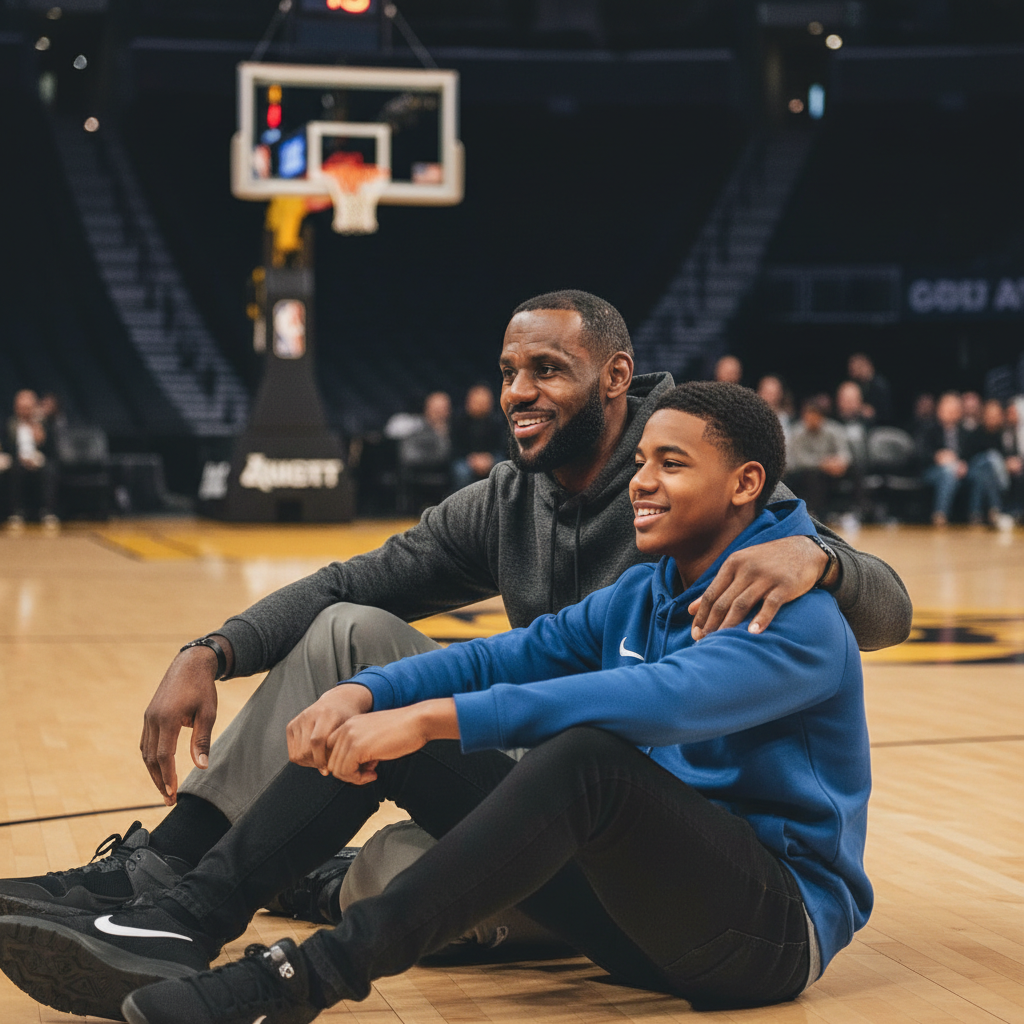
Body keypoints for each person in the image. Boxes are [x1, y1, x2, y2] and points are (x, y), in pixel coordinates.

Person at [0, 290, 909, 936]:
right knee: (349, 636)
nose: (518, 391)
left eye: (549, 369)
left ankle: (302, 879)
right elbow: (351, 581)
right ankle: (164, 867)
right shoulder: (507, 499)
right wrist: (216, 648)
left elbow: (886, 608)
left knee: (403, 873)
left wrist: (823, 556)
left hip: (635, 815)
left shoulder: (693, 472)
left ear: (616, 377)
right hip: (537, 758)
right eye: (510, 371)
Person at [784, 396, 853, 521]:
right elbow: (800, 460)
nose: (810, 419)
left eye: (814, 415)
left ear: (821, 417)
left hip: (831, 470)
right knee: (813, 475)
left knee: (855, 468)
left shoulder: (834, 429)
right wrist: (823, 463)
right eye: (807, 415)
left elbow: (844, 452)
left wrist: (840, 462)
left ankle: (861, 511)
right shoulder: (797, 432)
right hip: (805, 472)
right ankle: (818, 514)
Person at [6, 389, 59, 529]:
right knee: (15, 469)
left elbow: (53, 450)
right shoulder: (10, 424)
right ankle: (16, 513)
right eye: (22, 408)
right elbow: (6, 447)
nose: (25, 411)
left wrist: (41, 440)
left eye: (28, 408)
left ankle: (47, 512)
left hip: (39, 460)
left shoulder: (44, 425)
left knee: (49, 469)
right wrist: (18, 456)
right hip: (18, 461)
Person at [920, 391, 971, 526]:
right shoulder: (929, 428)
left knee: (981, 471)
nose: (950, 412)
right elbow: (918, 453)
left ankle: (976, 515)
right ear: (939, 409)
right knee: (948, 471)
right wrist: (936, 456)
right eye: (947, 408)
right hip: (933, 471)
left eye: (954, 409)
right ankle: (940, 514)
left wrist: (964, 463)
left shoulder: (965, 432)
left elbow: (972, 453)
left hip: (961, 471)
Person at [450, 383, 507, 490]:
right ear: (468, 402)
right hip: (466, 459)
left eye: (483, 402)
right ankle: (464, 504)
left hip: (492, 458)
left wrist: (489, 458)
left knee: (504, 469)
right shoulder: (458, 421)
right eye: (477, 402)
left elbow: (503, 447)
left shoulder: (499, 421)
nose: (480, 405)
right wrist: (472, 459)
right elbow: (455, 448)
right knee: (461, 472)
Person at [847, 353, 891, 425]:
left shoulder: (879, 385)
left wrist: (871, 412)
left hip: (877, 425)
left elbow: (885, 413)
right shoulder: (857, 383)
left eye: (853, 369)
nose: (851, 372)